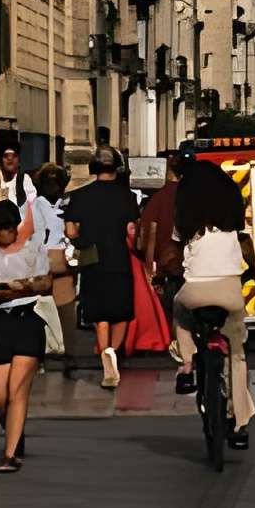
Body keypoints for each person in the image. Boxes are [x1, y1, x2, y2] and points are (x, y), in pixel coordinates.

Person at [169, 158, 253, 448]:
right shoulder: (231, 222)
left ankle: (188, 362)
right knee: (237, 354)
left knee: (179, 310)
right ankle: (239, 423)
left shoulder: (187, 219)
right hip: (230, 289)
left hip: (195, 290)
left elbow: (178, 246)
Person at [0, 199, 54, 470]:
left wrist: (18, 288)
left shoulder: (33, 251)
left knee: (16, 391)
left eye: (9, 227)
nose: (5, 233)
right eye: (0, 228)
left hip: (27, 321)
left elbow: (46, 283)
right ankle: (14, 431)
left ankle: (10, 456)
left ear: (17, 225)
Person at [64, 148, 145, 388]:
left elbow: (70, 231)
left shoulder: (79, 196)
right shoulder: (127, 197)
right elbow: (132, 231)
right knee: (121, 312)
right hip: (119, 258)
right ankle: (114, 352)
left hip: (92, 258)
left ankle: (105, 351)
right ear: (116, 167)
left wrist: (82, 241)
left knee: (99, 314)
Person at [29, 160, 76, 369]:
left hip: (65, 259)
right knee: (44, 308)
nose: (53, 186)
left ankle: (67, 350)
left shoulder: (68, 205)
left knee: (66, 309)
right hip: (44, 257)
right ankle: (46, 351)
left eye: (57, 182)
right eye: (48, 182)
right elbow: (34, 236)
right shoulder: (34, 206)